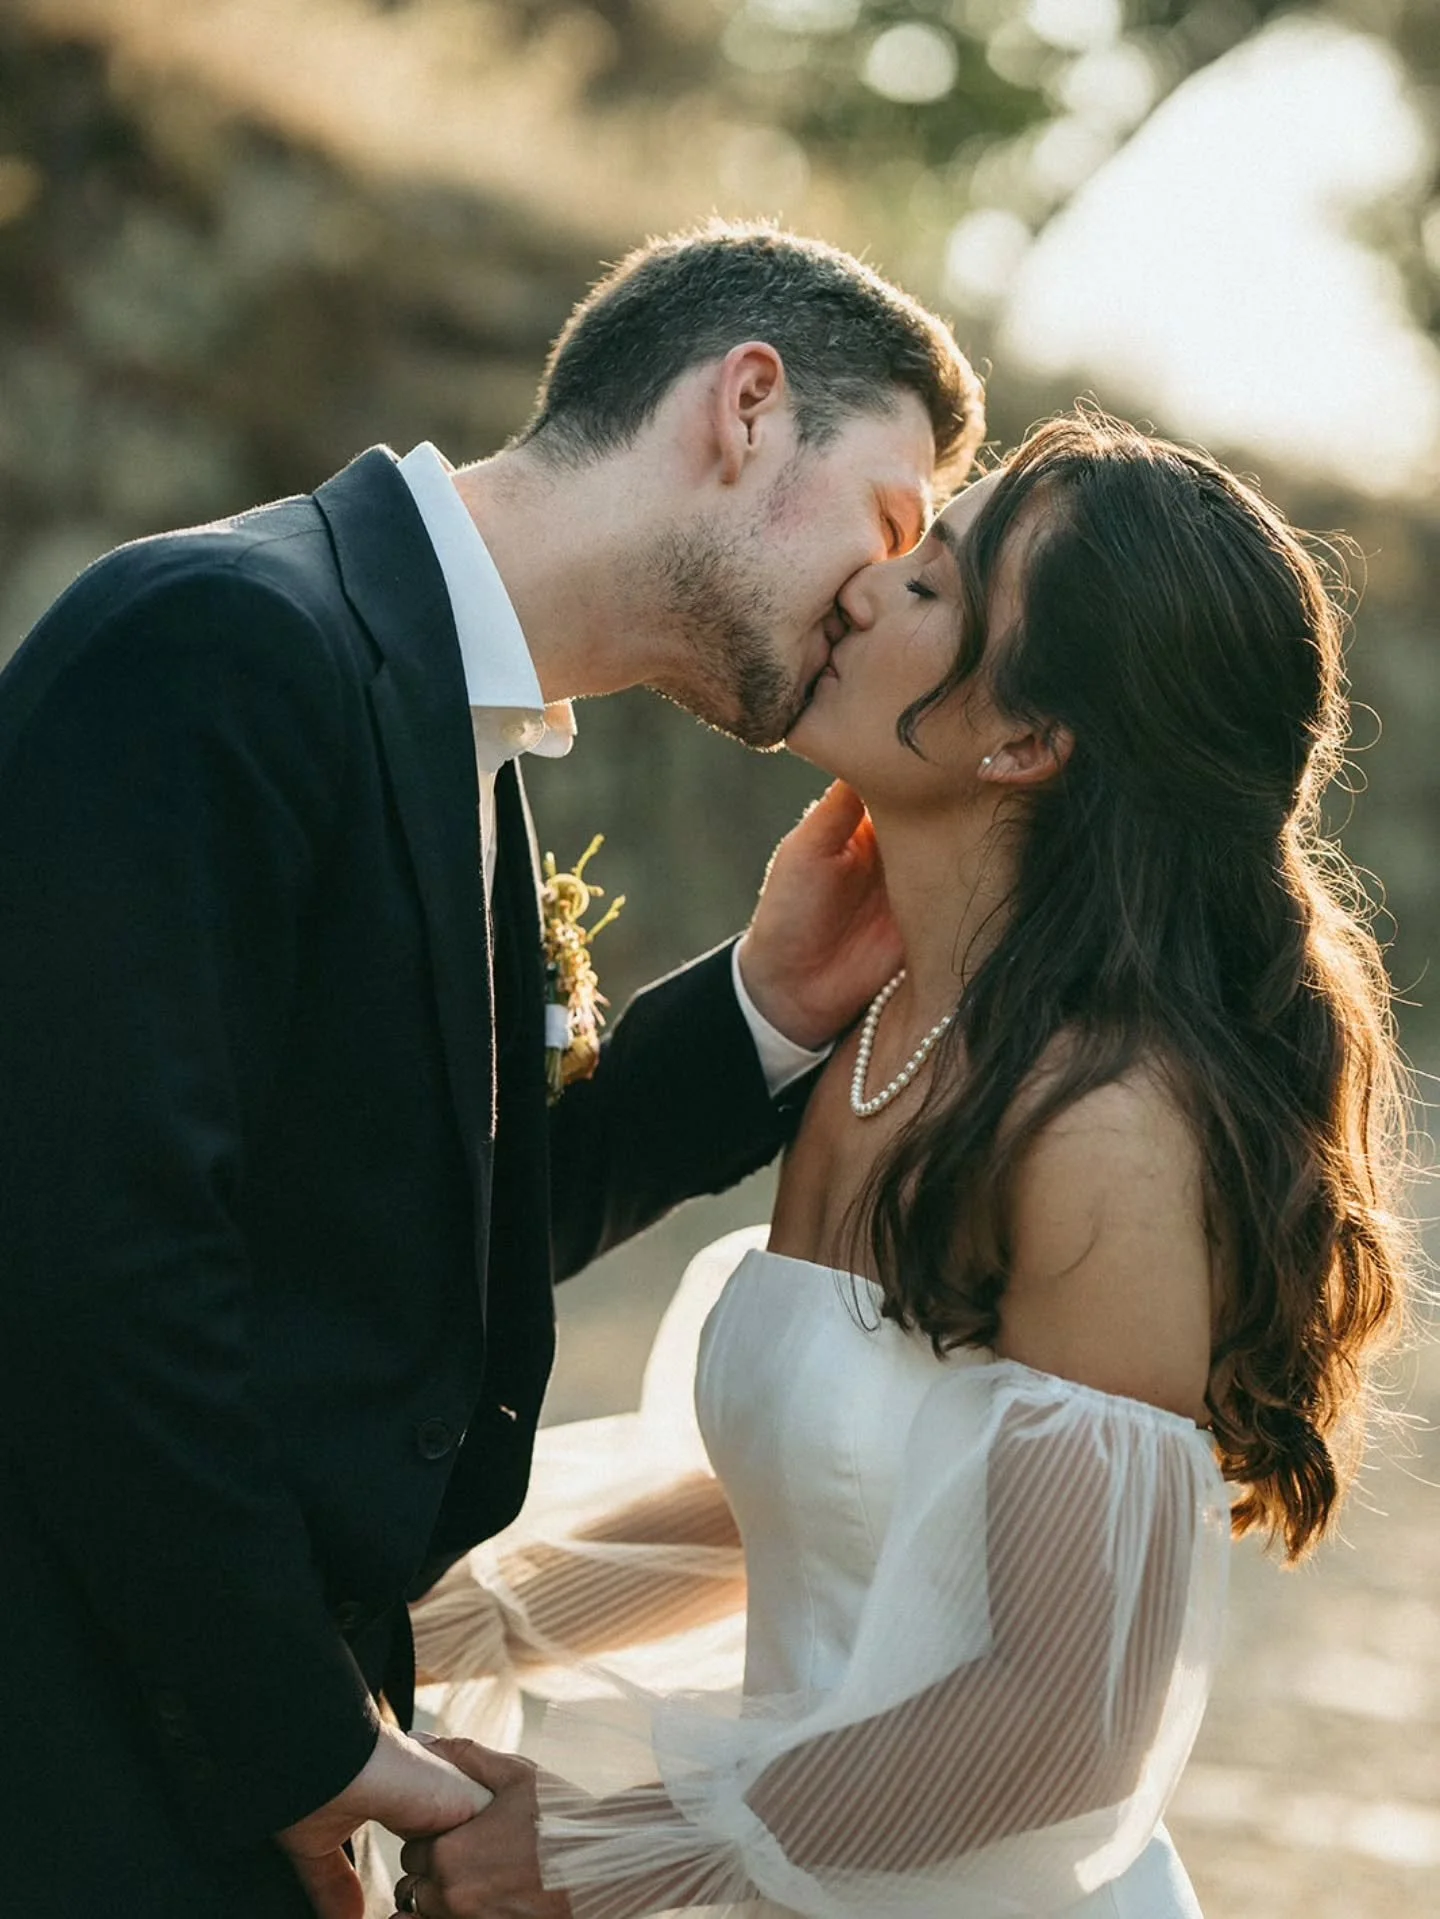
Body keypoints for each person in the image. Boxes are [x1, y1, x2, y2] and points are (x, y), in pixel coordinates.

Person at [0, 223, 985, 1918]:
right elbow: (93, 1255)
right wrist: (294, 1731)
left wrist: (764, 1002)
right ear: (745, 406)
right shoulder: (216, 643)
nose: (873, 597)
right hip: (74, 1745)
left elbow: (384, 1235)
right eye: (889, 523)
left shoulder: (457, 733)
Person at [388, 411, 1414, 1919]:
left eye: (934, 583)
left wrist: (610, 1847)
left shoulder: (1106, 1128)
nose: (865, 583)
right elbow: (817, 1497)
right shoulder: (892, 1029)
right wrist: (425, 1627)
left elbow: (1062, 1720)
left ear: (1026, 740)